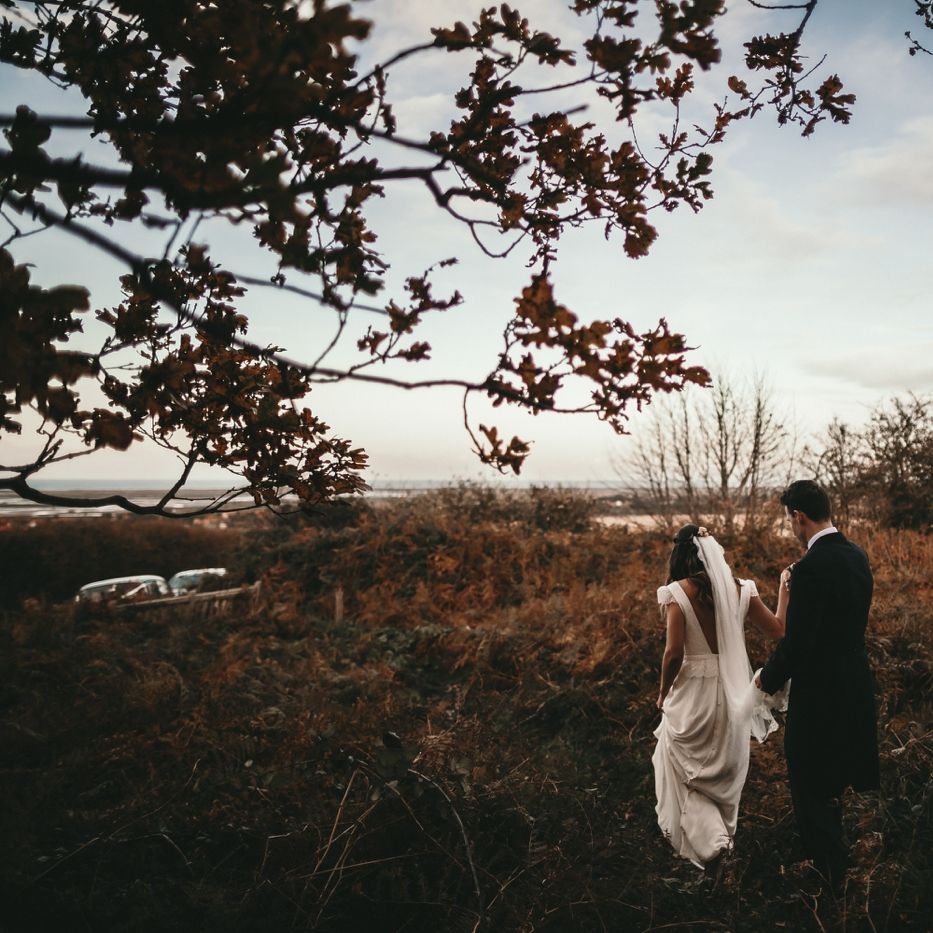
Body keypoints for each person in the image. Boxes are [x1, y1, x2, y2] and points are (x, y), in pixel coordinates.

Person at [756, 480, 879, 892]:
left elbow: (798, 644)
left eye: (789, 520)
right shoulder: (857, 557)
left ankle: (829, 873)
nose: (790, 527)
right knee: (834, 772)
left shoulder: (808, 570)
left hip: (819, 692)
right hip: (855, 684)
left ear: (798, 516)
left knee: (807, 774)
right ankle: (836, 859)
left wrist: (764, 680)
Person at [652, 524, 789, 868]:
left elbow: (673, 653)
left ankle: (712, 849)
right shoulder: (742, 590)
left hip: (692, 695)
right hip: (732, 693)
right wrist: (785, 589)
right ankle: (718, 844)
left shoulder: (676, 593)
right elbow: (778, 630)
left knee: (686, 770)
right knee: (719, 771)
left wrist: (662, 693)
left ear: (680, 556)